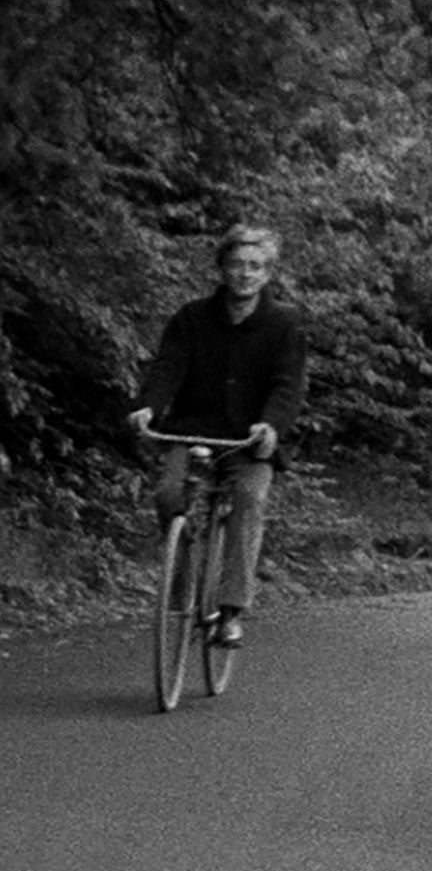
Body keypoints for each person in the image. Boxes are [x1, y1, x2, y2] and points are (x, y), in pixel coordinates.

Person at [127, 224, 309, 647]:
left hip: (249, 442)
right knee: (169, 496)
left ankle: (230, 610)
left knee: (249, 499)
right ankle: (184, 588)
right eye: (237, 265)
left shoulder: (284, 324)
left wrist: (271, 426)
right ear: (222, 268)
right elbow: (167, 367)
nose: (245, 274)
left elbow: (289, 385)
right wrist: (148, 406)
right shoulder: (192, 317)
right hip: (193, 432)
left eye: (255, 267)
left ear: (268, 274)